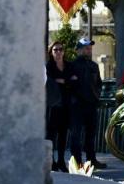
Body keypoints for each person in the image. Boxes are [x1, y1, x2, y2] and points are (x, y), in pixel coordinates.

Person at [68, 38, 106, 169]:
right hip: (77, 105)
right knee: (76, 135)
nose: (88, 50)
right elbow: (69, 85)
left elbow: (99, 84)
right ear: (78, 50)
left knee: (91, 135)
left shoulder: (94, 66)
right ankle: (77, 163)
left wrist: (97, 96)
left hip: (91, 104)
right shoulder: (72, 66)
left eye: (89, 48)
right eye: (85, 47)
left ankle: (91, 160)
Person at [45, 41, 77, 172]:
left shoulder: (69, 66)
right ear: (51, 52)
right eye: (55, 50)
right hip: (53, 106)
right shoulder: (48, 67)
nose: (58, 52)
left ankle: (61, 160)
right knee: (51, 135)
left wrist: (62, 81)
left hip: (66, 104)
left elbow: (75, 82)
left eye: (60, 49)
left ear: (64, 51)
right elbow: (50, 83)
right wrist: (67, 81)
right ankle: (51, 161)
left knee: (63, 135)